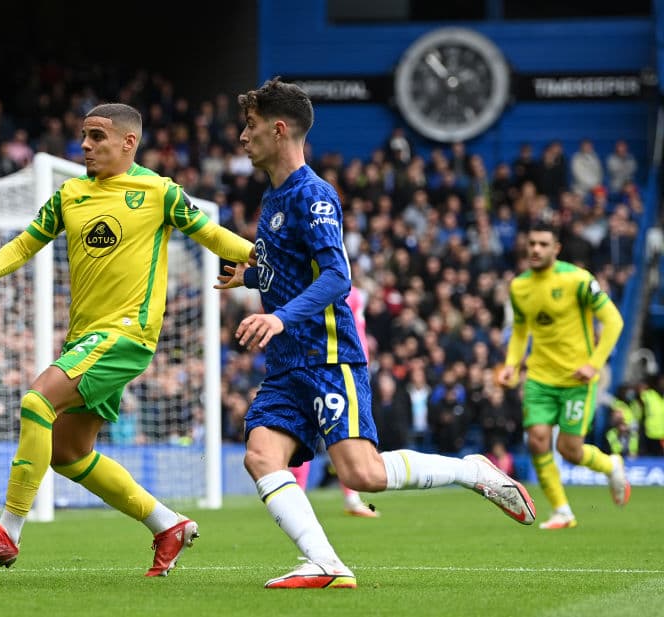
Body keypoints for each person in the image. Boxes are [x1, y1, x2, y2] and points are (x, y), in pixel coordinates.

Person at [216, 78, 534, 590]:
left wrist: (277, 317)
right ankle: (325, 563)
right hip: (285, 364)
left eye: (249, 126)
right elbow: (292, 269)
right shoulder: (273, 197)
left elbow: (338, 277)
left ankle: (471, 470)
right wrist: (249, 277)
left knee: (361, 475)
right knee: (260, 456)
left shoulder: (313, 194)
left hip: (327, 357)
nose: (241, 137)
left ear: (279, 130)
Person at [0, 103, 255, 576]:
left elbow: (211, 235)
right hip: (85, 340)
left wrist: (259, 256)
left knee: (36, 401)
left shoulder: (158, 192)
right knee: (69, 454)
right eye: (84, 136)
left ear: (128, 142)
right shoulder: (71, 194)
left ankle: (7, 530)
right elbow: (27, 241)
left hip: (127, 335)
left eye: (97, 137)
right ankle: (166, 523)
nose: (86, 146)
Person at [496, 221, 629, 530]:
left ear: (556, 249)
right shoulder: (519, 286)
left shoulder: (579, 280)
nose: (536, 249)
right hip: (540, 378)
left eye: (543, 244)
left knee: (570, 450)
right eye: (532, 244)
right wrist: (511, 364)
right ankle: (562, 511)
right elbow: (519, 332)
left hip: (576, 379)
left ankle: (611, 465)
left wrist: (594, 365)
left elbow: (614, 322)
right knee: (538, 441)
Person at [289, 286, 379, 518]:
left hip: (340, 367)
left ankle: (343, 497)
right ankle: (302, 496)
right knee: (333, 435)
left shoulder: (333, 289)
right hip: (334, 369)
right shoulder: (349, 291)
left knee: (319, 434)